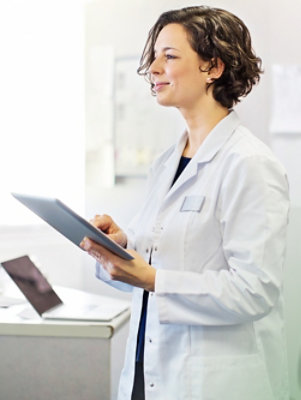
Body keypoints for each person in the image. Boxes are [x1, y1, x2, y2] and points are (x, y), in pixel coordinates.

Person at [80, 6, 290, 400]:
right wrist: (122, 248)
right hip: (150, 370)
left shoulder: (249, 164)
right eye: (155, 55)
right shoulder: (167, 162)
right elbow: (167, 258)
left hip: (213, 382)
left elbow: (255, 290)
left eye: (169, 56)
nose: (153, 68)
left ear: (213, 67)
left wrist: (152, 278)